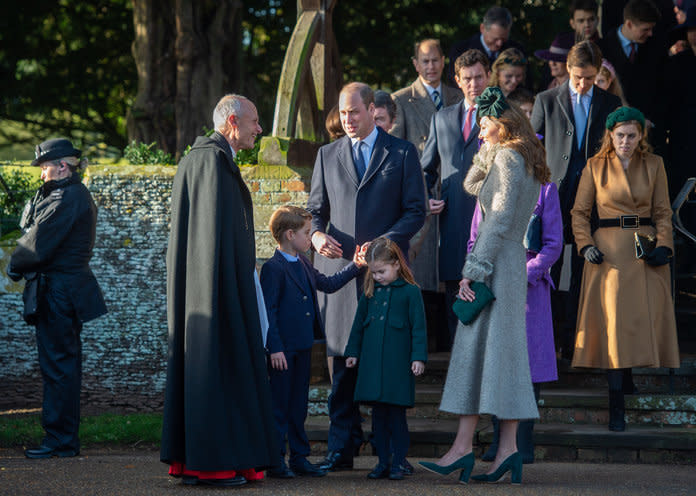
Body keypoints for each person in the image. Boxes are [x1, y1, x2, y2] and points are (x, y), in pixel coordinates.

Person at [419, 87, 548, 484]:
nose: (480, 129)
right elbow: (472, 185)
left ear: (503, 124)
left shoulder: (510, 157)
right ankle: (505, 451)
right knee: (501, 357)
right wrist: (485, 150)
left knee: (482, 353)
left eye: (486, 123)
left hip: (496, 261)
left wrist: (474, 268)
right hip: (508, 262)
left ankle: (462, 450)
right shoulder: (518, 156)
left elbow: (500, 218)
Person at [308, 82, 426, 472]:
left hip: (386, 275)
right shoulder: (326, 154)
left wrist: (382, 245)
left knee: (387, 368)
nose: (347, 121)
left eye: (354, 113)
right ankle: (341, 451)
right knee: (341, 369)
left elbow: (415, 211)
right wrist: (316, 234)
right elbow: (315, 211)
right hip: (340, 276)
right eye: (342, 114)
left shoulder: (403, 152)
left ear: (372, 109)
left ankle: (391, 456)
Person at [161, 94, 277, 487]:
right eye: (254, 122)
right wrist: (228, 292)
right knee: (220, 368)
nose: (259, 130)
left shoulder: (196, 159)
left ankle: (194, 462)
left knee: (207, 369)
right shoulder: (212, 162)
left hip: (205, 287)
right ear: (232, 121)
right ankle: (214, 465)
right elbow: (212, 241)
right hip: (215, 290)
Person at [570, 106, 680, 431]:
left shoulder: (655, 164)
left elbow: (663, 212)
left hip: (644, 247)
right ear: (610, 135)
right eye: (620, 135)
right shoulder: (595, 166)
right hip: (609, 251)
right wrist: (585, 245)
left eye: (632, 135)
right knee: (615, 324)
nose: (626, 142)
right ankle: (616, 401)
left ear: (641, 135)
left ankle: (629, 382)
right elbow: (579, 213)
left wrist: (664, 244)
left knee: (638, 319)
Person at [7, 138, 107, 459]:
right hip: (61, 290)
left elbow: (37, 241)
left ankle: (60, 440)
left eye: (45, 168)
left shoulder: (67, 197)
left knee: (59, 367)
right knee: (61, 365)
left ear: (62, 166)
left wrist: (14, 265)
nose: (41, 175)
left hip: (58, 293)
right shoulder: (67, 194)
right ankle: (62, 438)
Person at [531, 40, 622, 361]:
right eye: (578, 77)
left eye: (589, 77)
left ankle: (575, 342)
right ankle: (549, 340)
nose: (583, 84)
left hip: (594, 196)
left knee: (585, 269)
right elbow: (532, 150)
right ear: (567, 69)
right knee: (549, 269)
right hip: (554, 195)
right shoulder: (547, 100)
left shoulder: (610, 103)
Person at [261, 206, 365, 479]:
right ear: (290, 234)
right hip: (283, 351)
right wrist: (275, 348)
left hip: (304, 345)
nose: (311, 238)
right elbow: (268, 312)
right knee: (280, 406)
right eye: (307, 233)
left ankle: (299, 458)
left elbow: (328, 284)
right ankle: (274, 460)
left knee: (299, 406)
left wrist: (356, 266)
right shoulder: (273, 268)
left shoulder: (305, 262)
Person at [468, 182, 563, 464]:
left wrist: (524, 273)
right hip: (494, 286)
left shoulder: (546, 190)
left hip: (528, 291)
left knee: (527, 365)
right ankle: (499, 442)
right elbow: (474, 240)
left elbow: (553, 244)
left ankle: (523, 442)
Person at [421, 49, 490, 349]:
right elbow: (426, 170)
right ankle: (456, 374)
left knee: (487, 297)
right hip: (451, 223)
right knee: (454, 302)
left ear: (488, 76)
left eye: (479, 77)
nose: (474, 84)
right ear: (457, 81)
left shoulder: (502, 117)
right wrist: (425, 197)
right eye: (467, 79)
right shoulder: (442, 118)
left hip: (489, 220)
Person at [344, 237, 427, 481]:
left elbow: (419, 329)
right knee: (378, 419)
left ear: (396, 264)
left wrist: (418, 358)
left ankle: (399, 462)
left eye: (382, 271)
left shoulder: (411, 293)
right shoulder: (370, 292)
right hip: (372, 367)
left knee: (397, 418)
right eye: (374, 272)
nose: (377, 276)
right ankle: (382, 462)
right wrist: (352, 352)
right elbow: (358, 326)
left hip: (398, 368)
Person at [599, 0, 666, 151]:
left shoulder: (656, 48)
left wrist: (651, 121)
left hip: (649, 135)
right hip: (613, 136)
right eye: (645, 29)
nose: (650, 33)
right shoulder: (602, 49)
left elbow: (664, 89)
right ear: (629, 24)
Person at [392, 39, 463, 156]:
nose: (431, 66)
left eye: (435, 60)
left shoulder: (459, 97)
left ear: (442, 61)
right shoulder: (400, 100)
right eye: (425, 61)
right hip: (419, 172)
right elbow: (396, 150)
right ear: (416, 64)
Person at [447, 6, 526, 86]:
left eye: (504, 39)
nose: (499, 43)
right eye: (495, 39)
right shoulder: (460, 50)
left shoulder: (517, 50)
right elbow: (455, 86)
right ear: (482, 28)